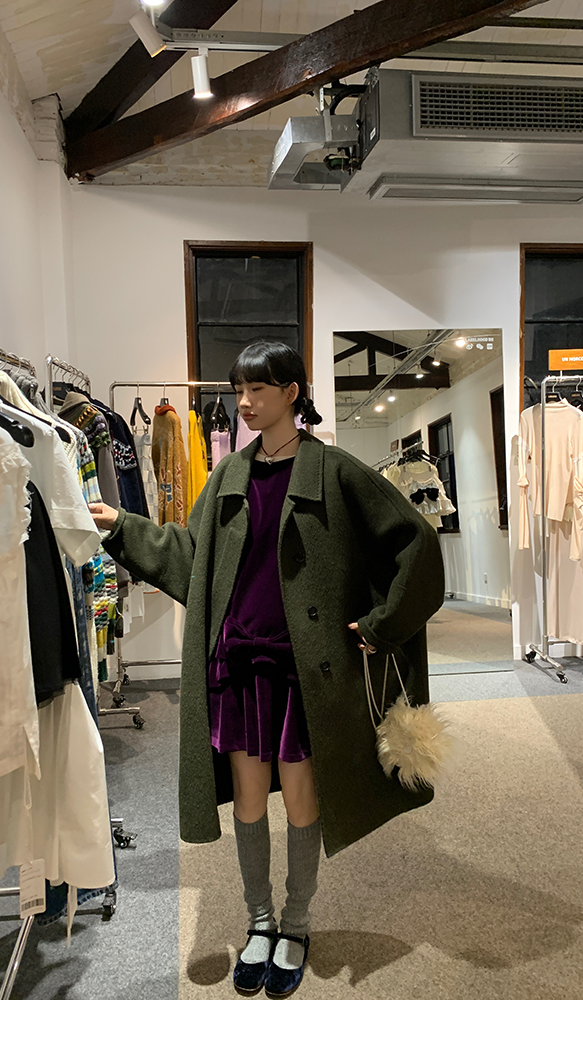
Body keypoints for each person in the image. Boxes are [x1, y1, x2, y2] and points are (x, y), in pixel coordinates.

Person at [89, 341, 444, 999]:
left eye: (258, 389)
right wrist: (122, 526)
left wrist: (380, 625)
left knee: (304, 797)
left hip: (301, 671)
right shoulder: (230, 474)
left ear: (291, 392)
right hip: (238, 666)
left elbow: (415, 542)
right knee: (248, 798)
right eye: (240, 390)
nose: (245, 403)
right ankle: (260, 921)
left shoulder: (334, 470)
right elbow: (190, 555)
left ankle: (296, 923)